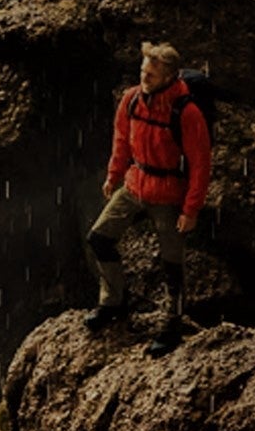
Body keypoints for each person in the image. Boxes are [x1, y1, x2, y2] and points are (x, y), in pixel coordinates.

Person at [85, 42, 212, 356]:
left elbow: (200, 164)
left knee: (172, 262)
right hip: (134, 183)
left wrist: (191, 209)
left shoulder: (187, 111)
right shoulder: (131, 100)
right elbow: (121, 139)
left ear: (169, 75)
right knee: (99, 238)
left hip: (168, 192)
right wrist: (113, 176)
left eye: (151, 74)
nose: (145, 78)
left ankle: (173, 323)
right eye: (143, 71)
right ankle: (113, 301)